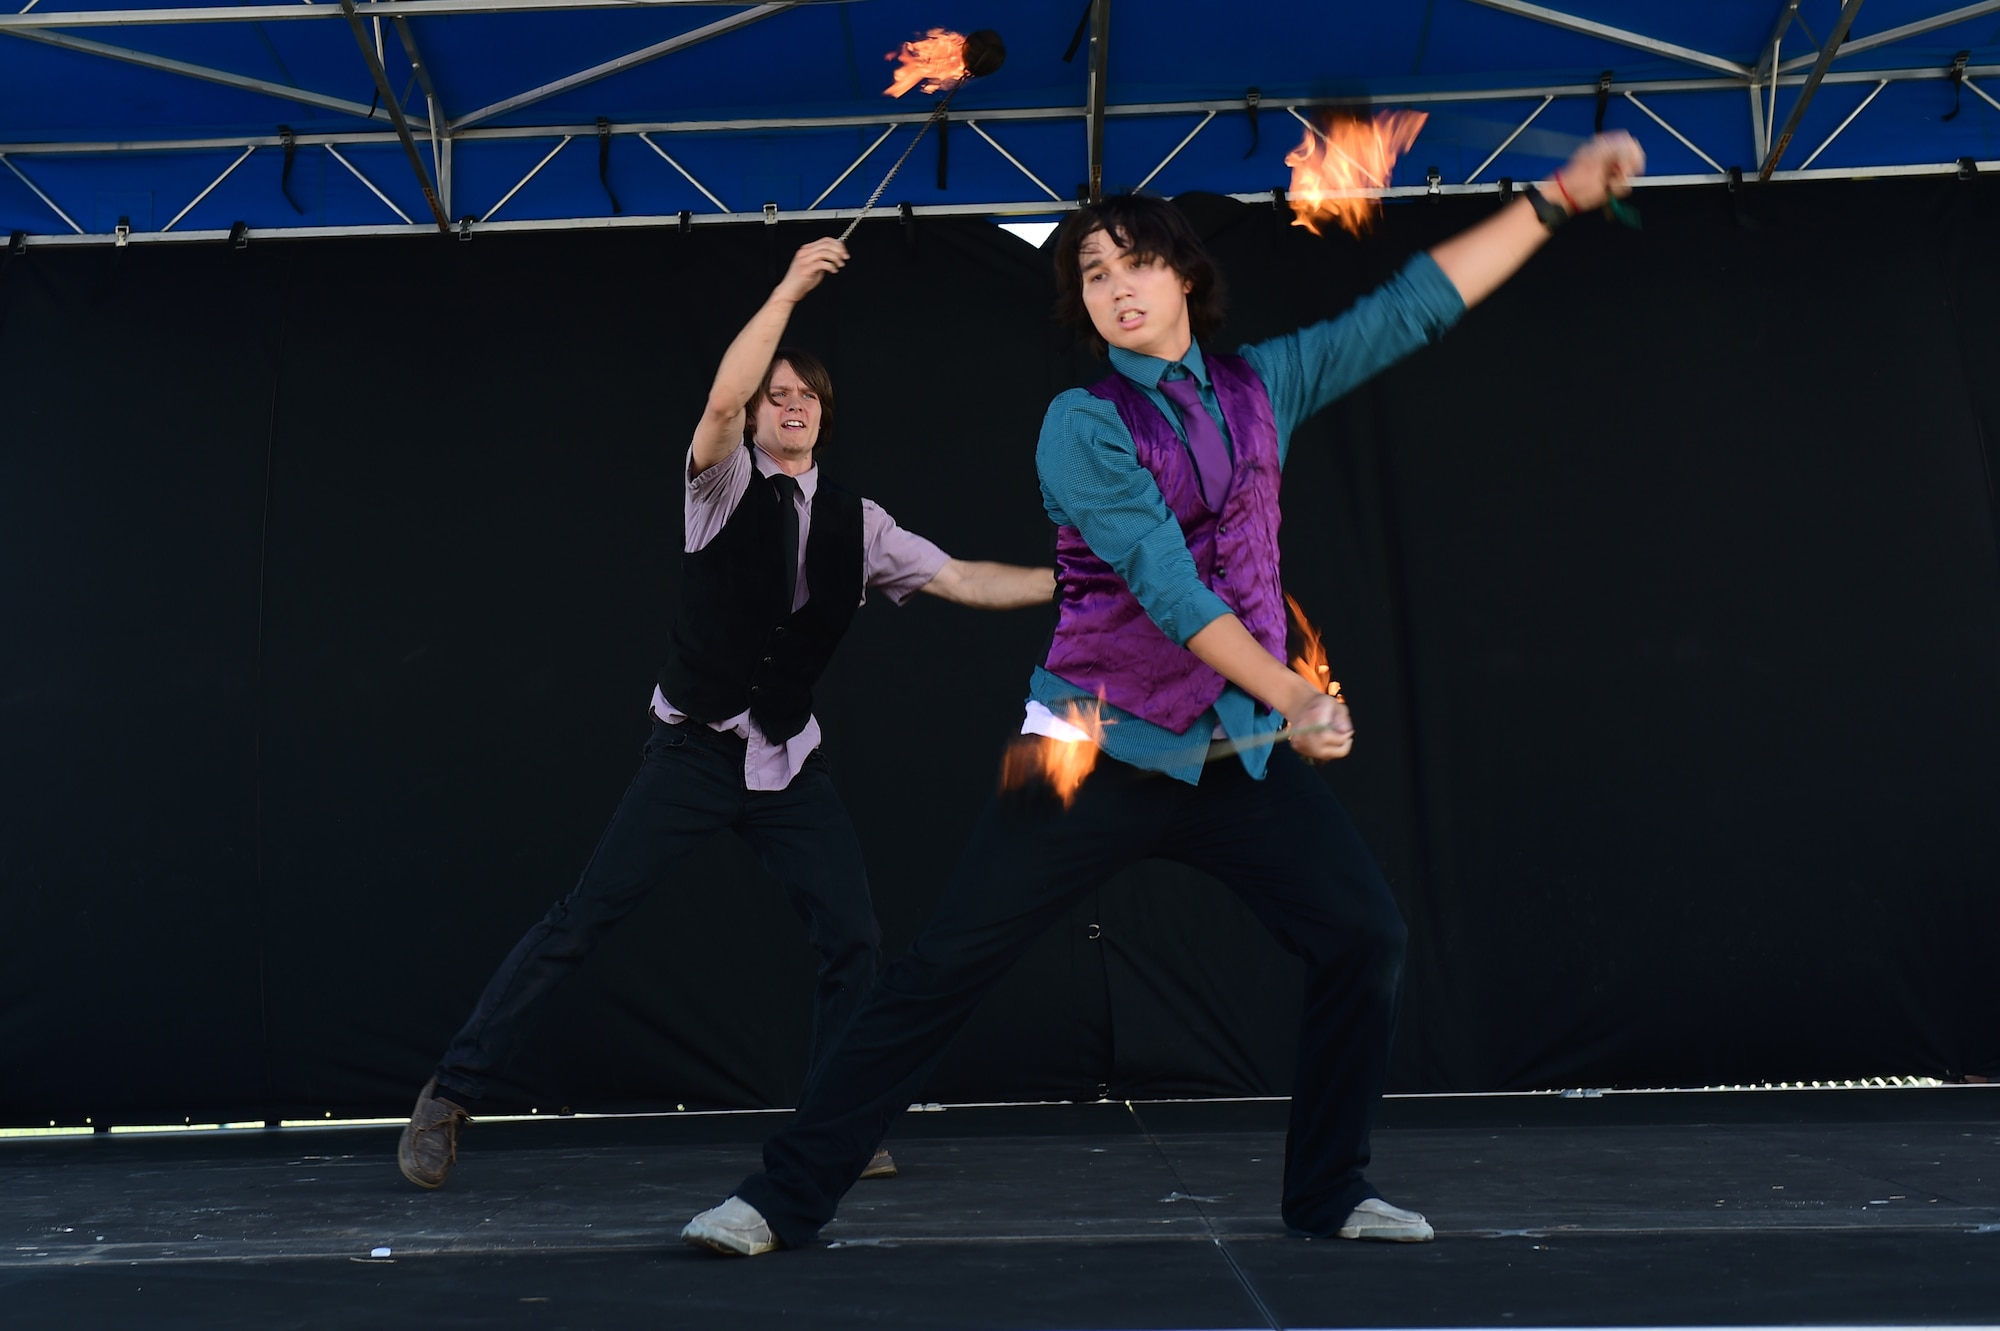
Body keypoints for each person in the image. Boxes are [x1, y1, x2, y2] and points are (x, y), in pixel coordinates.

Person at [680, 133, 1647, 1255]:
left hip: (1230, 752)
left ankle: (1328, 1191)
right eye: (1090, 273)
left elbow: (1410, 307)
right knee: (943, 967)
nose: (1112, 285)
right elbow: (1170, 588)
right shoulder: (1080, 424)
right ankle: (778, 1197)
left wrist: (1557, 200)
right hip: (1086, 741)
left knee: (1361, 934)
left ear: (1181, 274)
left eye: (1131, 260)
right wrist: (1292, 689)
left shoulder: (1261, 386)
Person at [398, 237, 1056, 1191]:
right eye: (775, 395)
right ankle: (447, 1096)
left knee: (854, 938)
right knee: (582, 920)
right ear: (754, 416)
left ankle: (835, 1121)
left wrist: (1078, 581)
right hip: (693, 754)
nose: (790, 405)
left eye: (806, 396)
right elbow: (717, 400)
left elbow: (964, 579)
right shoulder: (720, 486)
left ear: (825, 417)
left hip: (790, 765)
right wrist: (790, 288)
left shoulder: (859, 522)